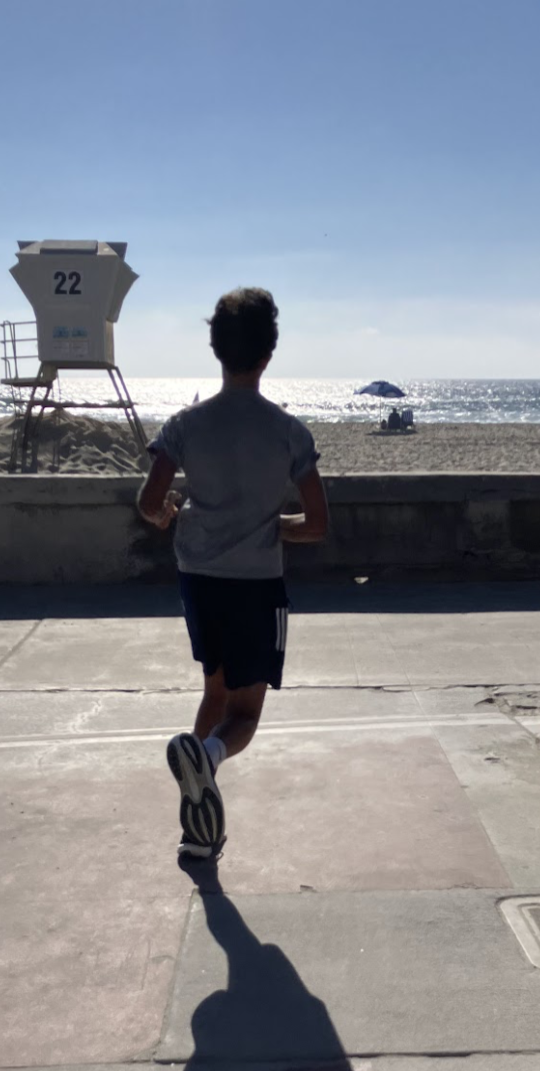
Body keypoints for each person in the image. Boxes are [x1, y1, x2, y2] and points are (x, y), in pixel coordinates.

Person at [137, 288, 328, 860]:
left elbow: (149, 503)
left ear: (216, 351)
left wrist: (168, 513)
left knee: (214, 691)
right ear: (268, 355)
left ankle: (197, 821)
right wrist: (275, 526)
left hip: (199, 579)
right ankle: (208, 758)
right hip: (257, 584)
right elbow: (317, 524)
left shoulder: (184, 425)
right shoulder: (288, 432)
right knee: (243, 713)